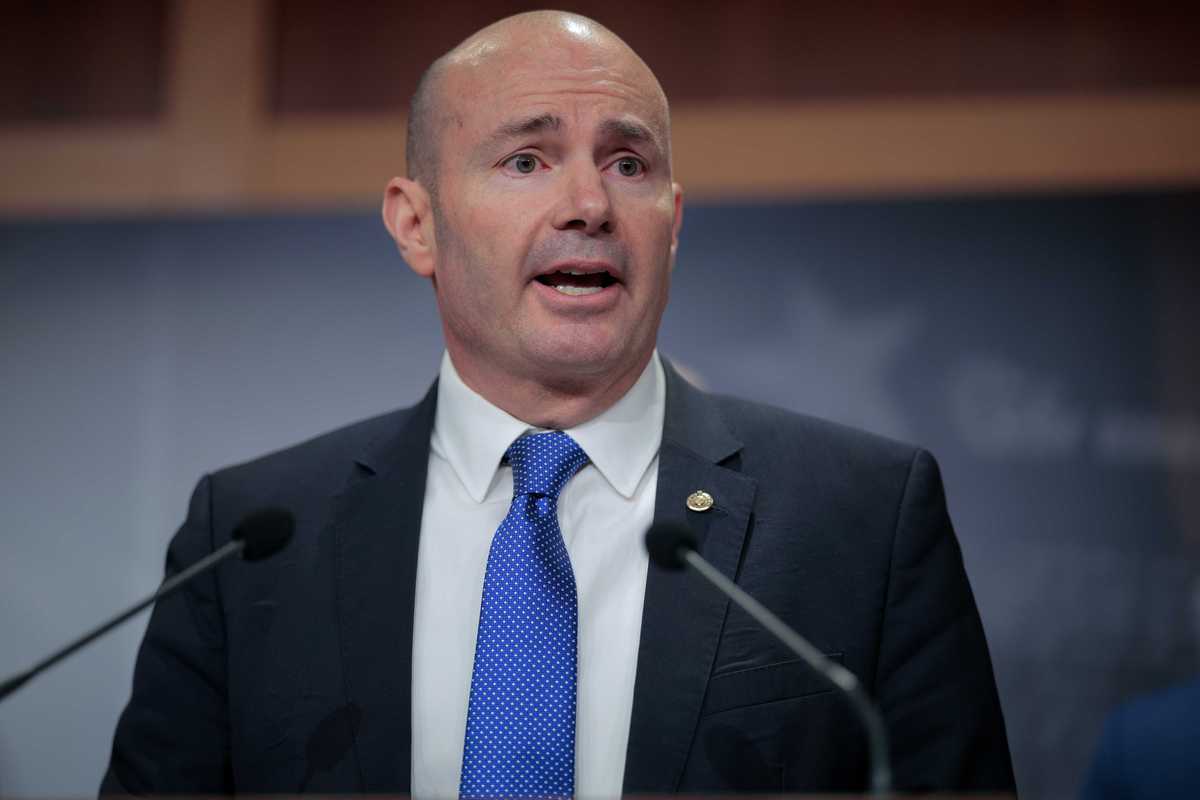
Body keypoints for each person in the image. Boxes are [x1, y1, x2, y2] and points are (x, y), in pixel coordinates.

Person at [102, 10, 1015, 796]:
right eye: (526, 159)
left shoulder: (864, 518)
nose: (589, 204)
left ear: (672, 223)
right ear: (417, 224)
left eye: (628, 164)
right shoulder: (250, 543)